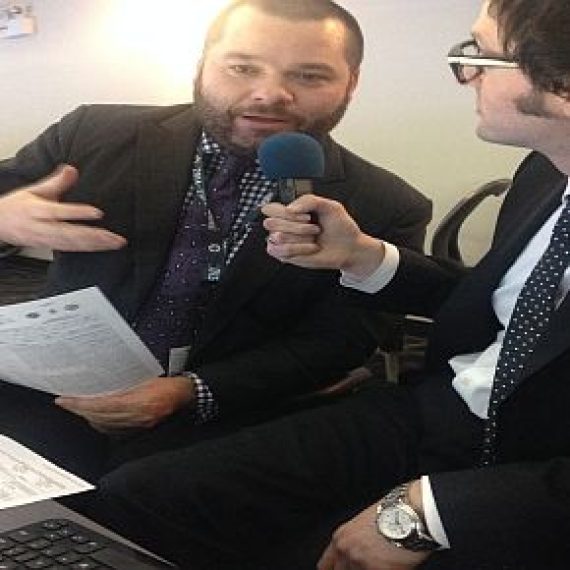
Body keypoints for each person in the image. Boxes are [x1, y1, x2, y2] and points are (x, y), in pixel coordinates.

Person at [84, 0, 570, 568]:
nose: (464, 73)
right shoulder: (543, 170)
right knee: (140, 496)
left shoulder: (393, 194)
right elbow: (510, 311)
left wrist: (433, 514)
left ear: (562, 84)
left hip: (533, 464)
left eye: (481, 55)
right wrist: (366, 257)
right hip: (431, 412)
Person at [0, 0, 430, 479]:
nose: (270, 94)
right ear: (202, 65)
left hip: (221, 410)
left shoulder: (387, 206)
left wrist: (191, 391)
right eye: (243, 68)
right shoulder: (92, 133)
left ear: (351, 84)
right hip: (59, 381)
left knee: (130, 504)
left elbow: (337, 343)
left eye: (309, 76)